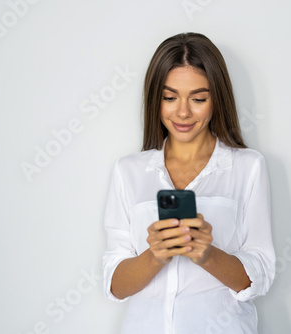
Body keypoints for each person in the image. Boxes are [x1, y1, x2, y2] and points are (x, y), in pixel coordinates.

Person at [102, 32, 275, 334]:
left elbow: (259, 275)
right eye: (169, 98)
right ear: (155, 99)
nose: (183, 112)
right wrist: (156, 255)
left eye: (198, 99)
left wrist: (207, 254)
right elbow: (116, 285)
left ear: (216, 99)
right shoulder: (128, 171)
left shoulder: (247, 167)